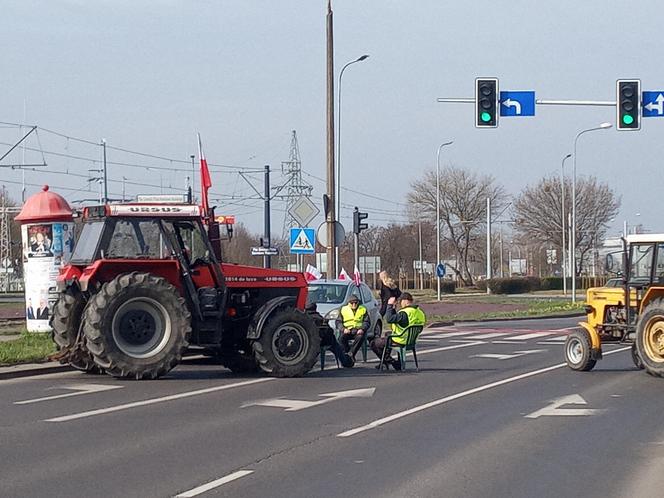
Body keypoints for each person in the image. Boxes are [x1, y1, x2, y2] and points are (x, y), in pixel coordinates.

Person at [370, 292, 426, 370]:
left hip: (401, 339)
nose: (400, 304)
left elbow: (389, 319)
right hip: (411, 340)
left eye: (401, 301)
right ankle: (387, 362)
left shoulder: (405, 313)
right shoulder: (419, 312)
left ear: (406, 301)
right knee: (387, 334)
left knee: (374, 343)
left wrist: (389, 305)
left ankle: (392, 362)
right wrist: (393, 309)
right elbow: (399, 321)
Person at [306, 303, 354, 368]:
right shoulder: (319, 318)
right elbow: (329, 331)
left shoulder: (304, 319)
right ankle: (345, 361)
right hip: (324, 341)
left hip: (310, 342)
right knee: (336, 346)